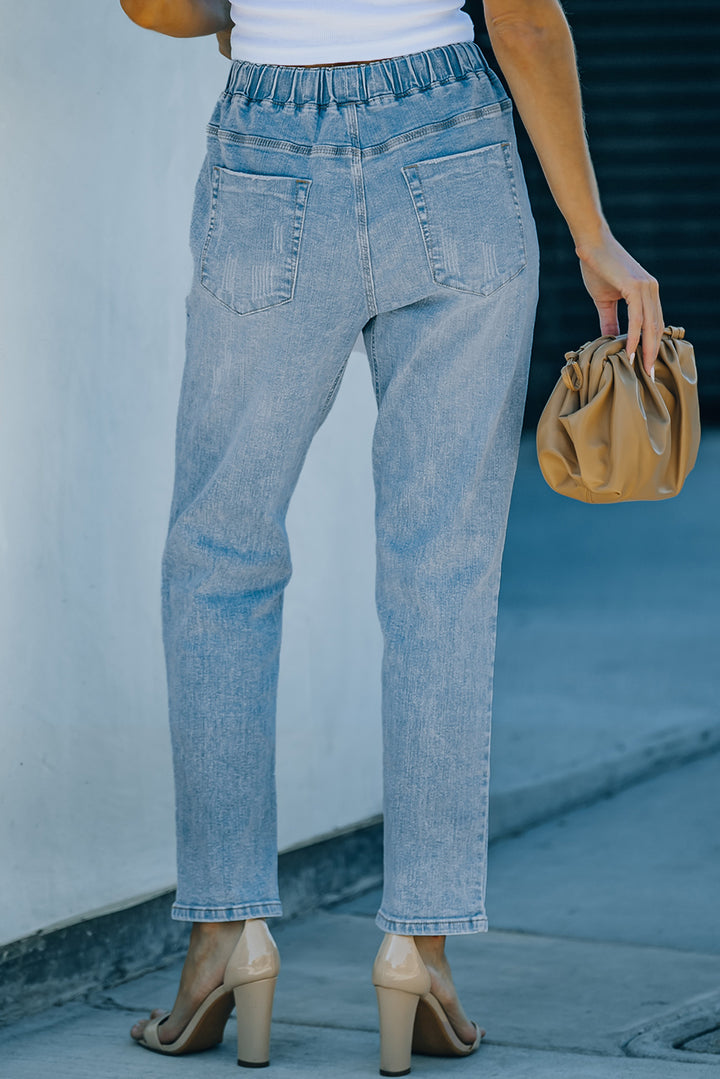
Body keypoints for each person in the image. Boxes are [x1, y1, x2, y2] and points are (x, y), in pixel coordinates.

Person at [120, 0, 664, 1072]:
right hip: (450, 143)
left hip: (271, 152)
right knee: (443, 573)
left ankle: (224, 940)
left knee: (220, 558)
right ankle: (419, 950)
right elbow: (523, 16)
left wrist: (250, 17)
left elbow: (152, 3)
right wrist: (593, 232)